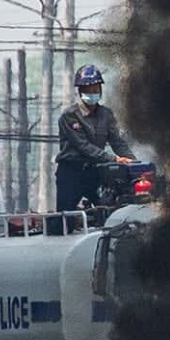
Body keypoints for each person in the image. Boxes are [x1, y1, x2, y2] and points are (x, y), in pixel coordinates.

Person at [55, 65, 137, 230]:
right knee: (64, 219)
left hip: (95, 172)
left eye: (96, 88)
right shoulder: (70, 116)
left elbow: (117, 141)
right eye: (88, 88)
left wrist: (133, 163)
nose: (93, 92)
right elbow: (83, 146)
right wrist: (114, 159)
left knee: (107, 211)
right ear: (80, 91)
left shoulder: (106, 114)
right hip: (71, 172)